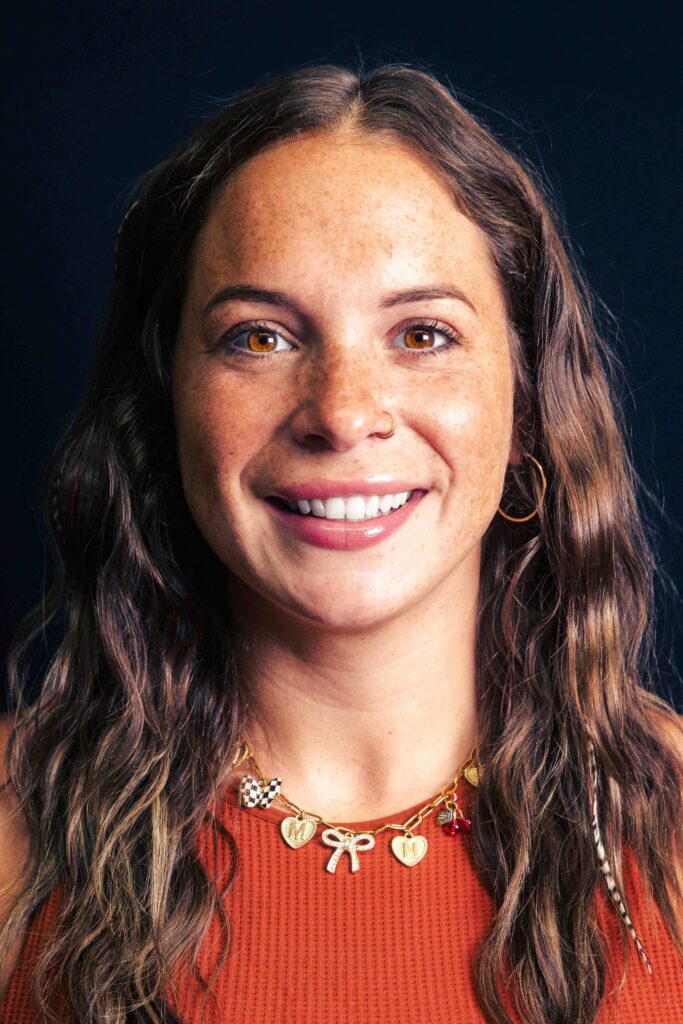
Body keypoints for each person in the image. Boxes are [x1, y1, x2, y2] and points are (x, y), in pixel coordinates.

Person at [0, 59, 681, 1024]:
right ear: (166, 408)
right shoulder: (15, 835)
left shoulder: (670, 830)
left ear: (529, 407)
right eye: (260, 338)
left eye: (423, 335)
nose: (343, 412)